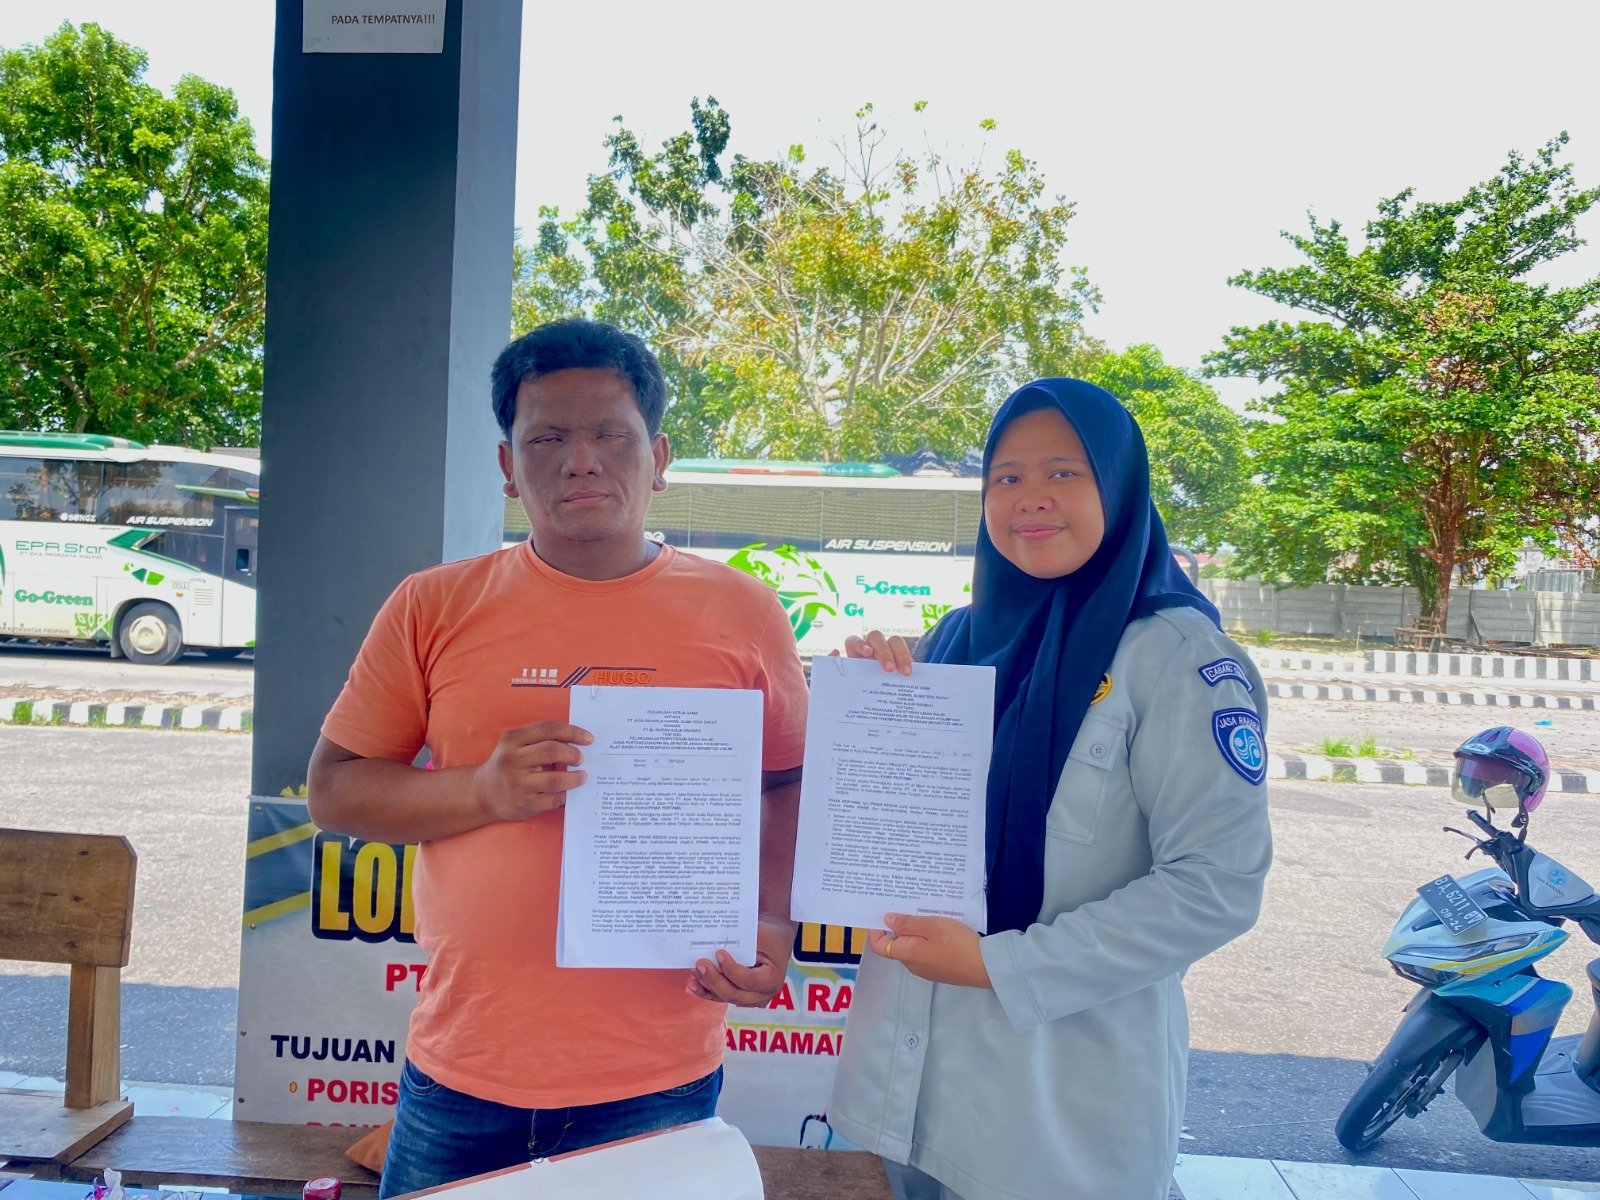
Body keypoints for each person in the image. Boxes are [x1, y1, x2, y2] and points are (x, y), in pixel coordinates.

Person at [305, 319, 808, 1197]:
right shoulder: (432, 605)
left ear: (658, 457)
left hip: (658, 1078)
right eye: (547, 440)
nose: (581, 462)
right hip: (463, 1070)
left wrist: (770, 922)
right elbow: (335, 791)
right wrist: (481, 791)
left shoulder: (742, 612)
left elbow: (787, 782)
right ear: (508, 466)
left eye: (612, 435)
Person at [826, 378, 1273, 1200]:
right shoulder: (955, 641)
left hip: (1055, 1119)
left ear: (1120, 488)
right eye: (1007, 477)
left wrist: (1003, 966)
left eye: (1064, 473)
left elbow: (1216, 886)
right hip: (906, 1098)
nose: (1030, 498)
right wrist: (870, 709)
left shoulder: (1176, 657)